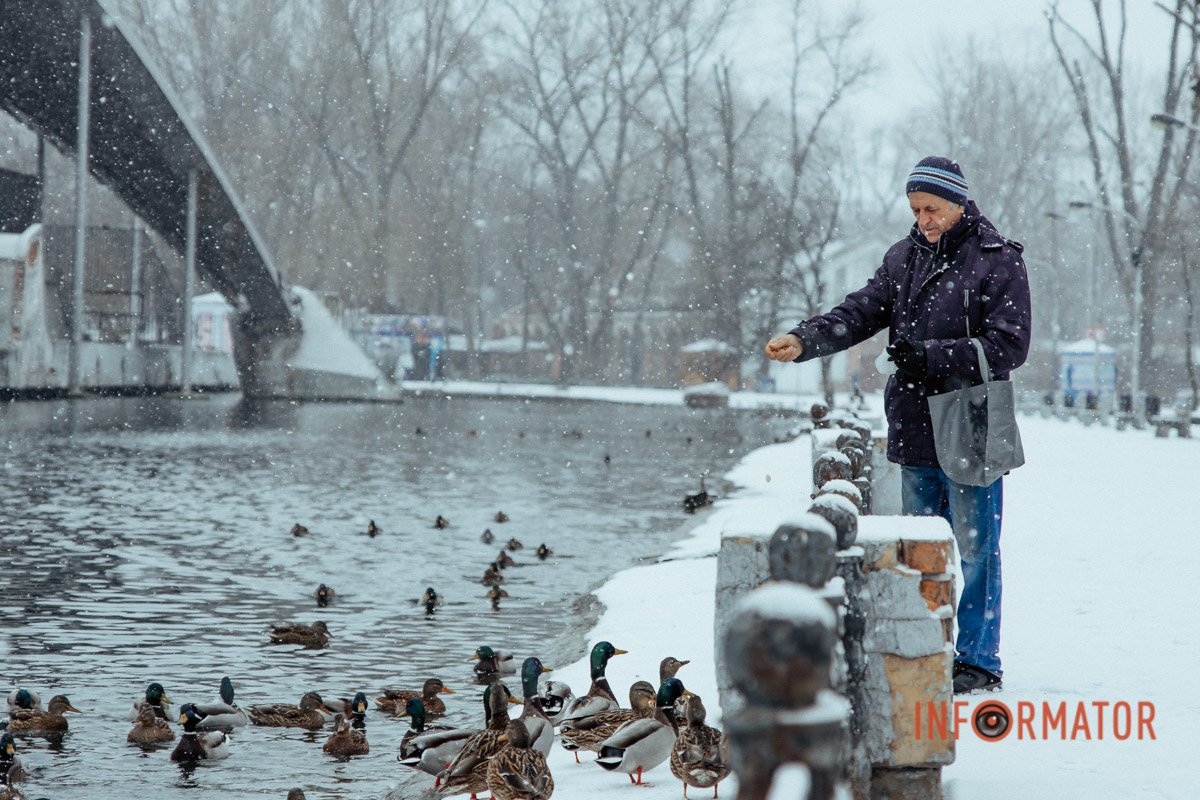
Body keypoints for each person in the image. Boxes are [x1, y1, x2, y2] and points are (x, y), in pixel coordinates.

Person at [764, 156, 1031, 693]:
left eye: (932, 208)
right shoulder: (902, 258)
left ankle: (978, 660)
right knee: (917, 551)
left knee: (977, 551)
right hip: (913, 422)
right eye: (915, 209)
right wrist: (806, 340)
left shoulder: (997, 261)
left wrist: (929, 356)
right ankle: (925, 645)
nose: (924, 218)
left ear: (959, 203)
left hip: (972, 423)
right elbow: (861, 310)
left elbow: (1009, 346)